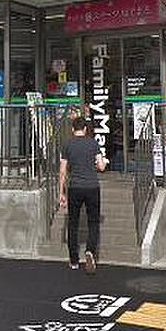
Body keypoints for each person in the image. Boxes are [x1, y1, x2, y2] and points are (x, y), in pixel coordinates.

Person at [59, 116, 108, 273]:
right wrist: (101, 163)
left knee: (73, 223)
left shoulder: (67, 145)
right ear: (85, 129)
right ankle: (90, 251)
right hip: (92, 186)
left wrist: (61, 193)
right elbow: (101, 167)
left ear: (73, 129)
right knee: (93, 222)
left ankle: (74, 260)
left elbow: (62, 171)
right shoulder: (93, 143)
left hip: (75, 187)